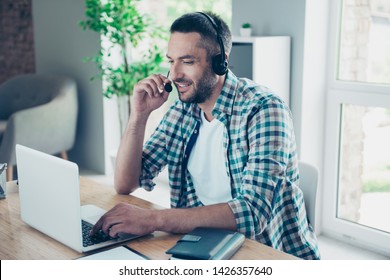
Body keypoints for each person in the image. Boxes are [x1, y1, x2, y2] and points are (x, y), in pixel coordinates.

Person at [91, 11, 320, 260]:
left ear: (220, 61)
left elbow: (252, 214)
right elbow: (126, 182)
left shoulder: (263, 109)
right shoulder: (183, 111)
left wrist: (153, 219)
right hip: (207, 244)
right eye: (171, 61)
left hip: (269, 253)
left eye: (187, 62)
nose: (175, 74)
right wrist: (139, 115)